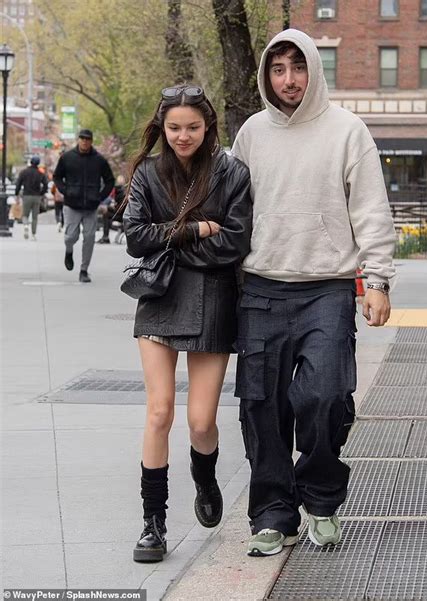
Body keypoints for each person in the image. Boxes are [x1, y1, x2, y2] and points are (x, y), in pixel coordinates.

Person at [232, 29, 396, 557]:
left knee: (325, 396)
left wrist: (376, 281)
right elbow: (233, 211)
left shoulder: (347, 130)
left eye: (297, 68)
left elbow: (370, 208)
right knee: (261, 406)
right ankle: (273, 514)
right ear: (266, 75)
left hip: (326, 288)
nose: (288, 80)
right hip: (260, 287)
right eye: (277, 69)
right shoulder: (252, 133)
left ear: (314, 70)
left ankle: (321, 502)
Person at [122, 84, 252, 563]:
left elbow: (234, 244)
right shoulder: (147, 174)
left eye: (192, 127)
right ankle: (152, 524)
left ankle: (205, 475)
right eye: (174, 127)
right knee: (159, 413)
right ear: (162, 127)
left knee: (201, 422)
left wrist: (168, 242)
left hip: (213, 300)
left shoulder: (232, 172)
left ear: (208, 126)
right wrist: (195, 229)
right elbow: (135, 239)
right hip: (159, 298)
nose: (183, 136)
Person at [53, 129, 115, 282]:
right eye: (82, 139)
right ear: (78, 140)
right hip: (71, 204)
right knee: (70, 237)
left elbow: (110, 181)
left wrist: (100, 197)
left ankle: (84, 270)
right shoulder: (67, 157)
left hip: (91, 206)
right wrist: (65, 191)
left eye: (87, 139)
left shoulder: (99, 160)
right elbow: (57, 176)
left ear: (91, 141)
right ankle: (69, 251)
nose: (85, 141)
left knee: (89, 237)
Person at [15, 155, 48, 241]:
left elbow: (18, 184)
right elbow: (45, 185)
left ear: (31, 162)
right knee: (34, 217)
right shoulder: (40, 174)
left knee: (25, 215)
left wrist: (17, 194)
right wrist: (41, 193)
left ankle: (26, 225)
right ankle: (33, 234)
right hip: (36, 196)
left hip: (26, 196)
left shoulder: (24, 172)